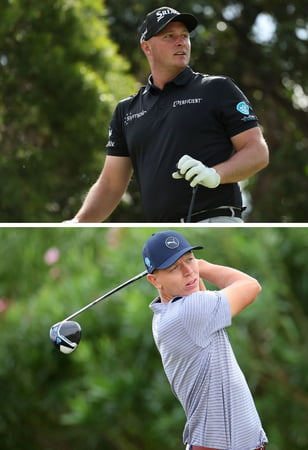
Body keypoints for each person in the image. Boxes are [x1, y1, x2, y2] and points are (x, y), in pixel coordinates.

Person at [70, 6, 269, 222]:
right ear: (147, 47)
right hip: (162, 229)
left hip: (215, 221)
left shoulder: (217, 89)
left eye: (184, 35)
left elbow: (257, 151)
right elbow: (110, 184)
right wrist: (77, 223)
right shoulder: (126, 110)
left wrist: (215, 174)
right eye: (169, 36)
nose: (181, 41)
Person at [143, 230, 268, 449]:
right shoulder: (188, 313)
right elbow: (251, 286)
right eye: (174, 268)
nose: (187, 271)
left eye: (189, 259)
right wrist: (203, 265)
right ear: (155, 280)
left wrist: (191, 269)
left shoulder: (169, 312)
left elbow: (200, 291)